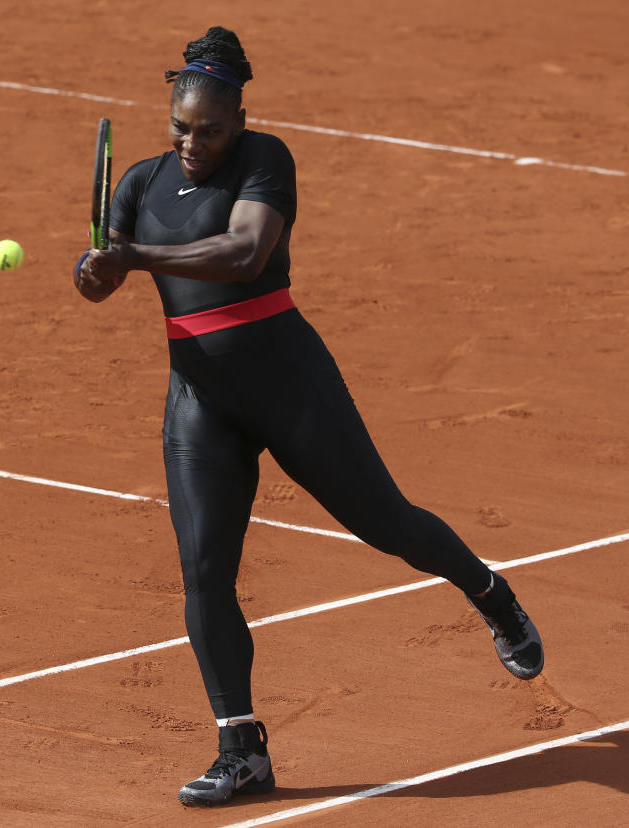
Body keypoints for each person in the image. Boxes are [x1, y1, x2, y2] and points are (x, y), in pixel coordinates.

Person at [73, 26, 544, 808]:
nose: (193, 144)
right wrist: (95, 274)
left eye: (210, 130)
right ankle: (241, 747)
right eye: (180, 129)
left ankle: (488, 590)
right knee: (203, 574)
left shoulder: (267, 161)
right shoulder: (139, 183)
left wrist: (137, 259)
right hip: (199, 401)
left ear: (240, 117)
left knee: (387, 524)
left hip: (289, 385)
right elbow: (105, 283)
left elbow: (244, 252)